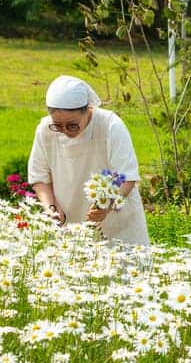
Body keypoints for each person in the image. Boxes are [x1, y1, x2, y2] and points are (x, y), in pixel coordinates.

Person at [27, 75, 150, 246]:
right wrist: (51, 208)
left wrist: (106, 206)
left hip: (116, 218)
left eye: (72, 125)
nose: (64, 131)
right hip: (69, 219)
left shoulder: (110, 125)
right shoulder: (45, 129)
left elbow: (127, 177)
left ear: (87, 109)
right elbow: (39, 177)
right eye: (58, 126)